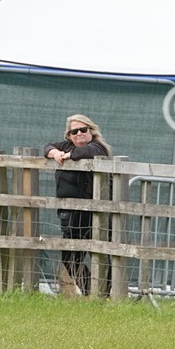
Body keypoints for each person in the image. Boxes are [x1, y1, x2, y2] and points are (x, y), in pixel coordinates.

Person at [44, 114, 112, 295]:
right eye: (74, 131)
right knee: (70, 258)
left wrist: (68, 155)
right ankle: (92, 292)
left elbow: (85, 152)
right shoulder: (66, 146)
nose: (79, 134)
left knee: (101, 254)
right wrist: (55, 153)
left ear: (91, 131)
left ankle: (107, 294)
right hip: (69, 213)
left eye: (83, 130)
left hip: (95, 213)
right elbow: (47, 147)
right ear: (69, 135)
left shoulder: (98, 147)